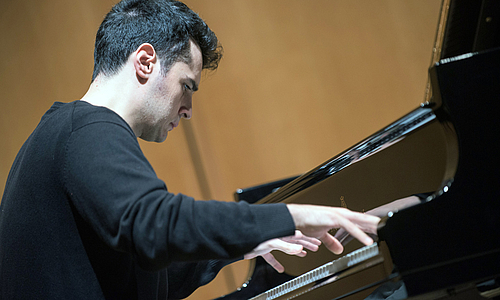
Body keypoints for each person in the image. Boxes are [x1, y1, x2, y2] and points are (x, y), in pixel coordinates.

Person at [0, 0, 380, 299]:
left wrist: (241, 243)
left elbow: (141, 277)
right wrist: (288, 216)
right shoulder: (90, 129)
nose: (188, 110)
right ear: (146, 62)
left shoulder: (60, 132)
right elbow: (155, 224)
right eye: (187, 86)